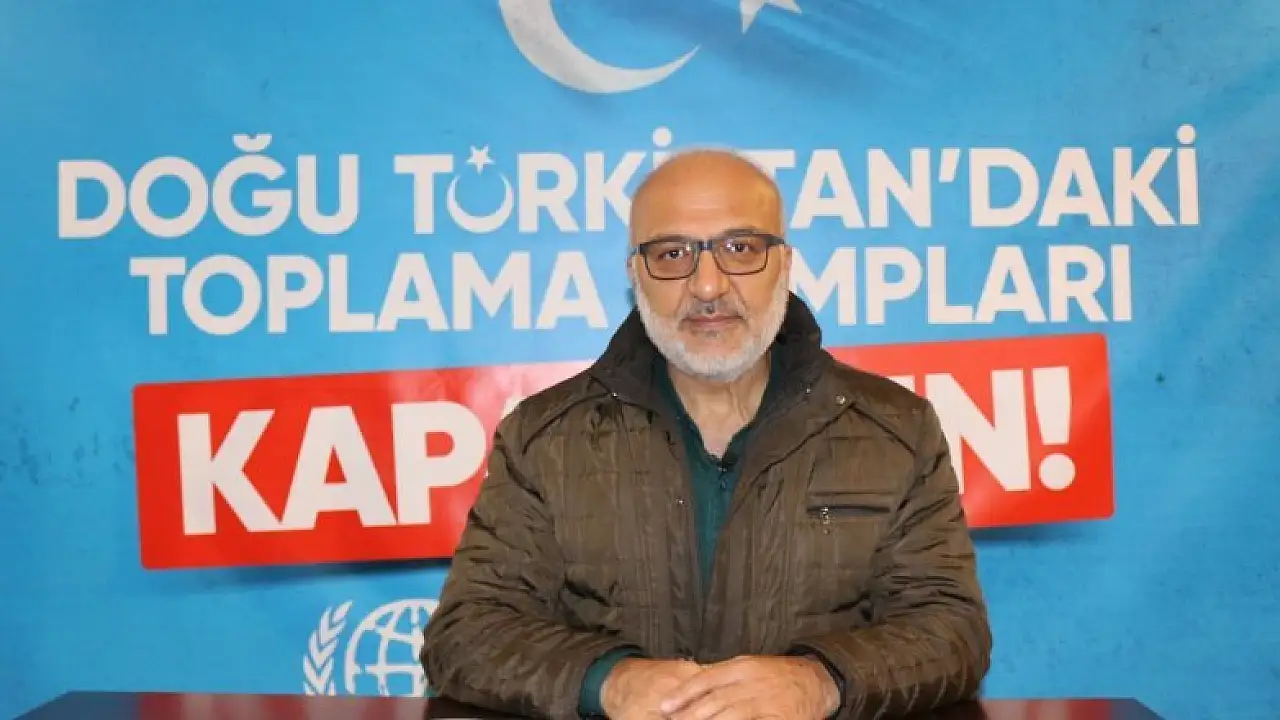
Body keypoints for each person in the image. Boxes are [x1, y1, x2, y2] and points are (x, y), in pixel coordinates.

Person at [420, 148, 992, 719]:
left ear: (785, 263)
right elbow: (466, 634)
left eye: (740, 248)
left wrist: (821, 683)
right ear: (635, 275)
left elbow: (951, 631)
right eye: (672, 254)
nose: (709, 286)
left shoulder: (895, 431)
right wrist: (608, 682)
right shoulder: (545, 439)